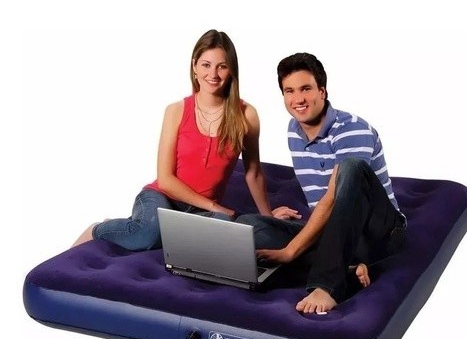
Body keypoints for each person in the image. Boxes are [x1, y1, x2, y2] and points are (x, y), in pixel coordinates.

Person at [72, 29, 300, 251]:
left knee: (232, 231)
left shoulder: (246, 115)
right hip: (162, 197)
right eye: (206, 65)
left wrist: (268, 216)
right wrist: (214, 206)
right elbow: (165, 179)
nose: (213, 74)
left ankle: (173, 233)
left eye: (222, 66)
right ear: (194, 66)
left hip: (200, 212)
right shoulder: (176, 110)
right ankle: (99, 229)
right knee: (149, 231)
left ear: (231, 69)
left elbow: (253, 172)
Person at [237, 53, 407, 313]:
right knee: (249, 227)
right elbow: (324, 213)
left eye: (306, 89)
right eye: (290, 91)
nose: (298, 99)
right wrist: (272, 219)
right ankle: (349, 269)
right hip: (334, 233)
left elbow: (332, 199)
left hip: (380, 233)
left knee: (351, 167)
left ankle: (328, 285)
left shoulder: (352, 128)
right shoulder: (294, 130)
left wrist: (291, 250)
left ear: (322, 91)